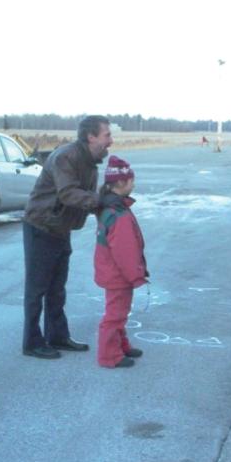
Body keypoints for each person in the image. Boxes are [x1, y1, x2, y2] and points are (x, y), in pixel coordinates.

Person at [22, 115, 112, 359]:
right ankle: (32, 342)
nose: (110, 141)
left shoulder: (90, 162)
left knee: (57, 289)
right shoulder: (66, 156)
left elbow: (87, 197)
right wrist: (100, 201)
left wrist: (108, 207)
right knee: (37, 289)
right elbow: (68, 193)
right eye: (107, 135)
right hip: (41, 227)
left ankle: (58, 336)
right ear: (91, 136)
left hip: (59, 229)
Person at [94, 156, 148, 368]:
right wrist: (136, 277)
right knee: (115, 315)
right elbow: (125, 252)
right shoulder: (119, 214)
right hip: (118, 275)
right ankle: (109, 356)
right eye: (131, 180)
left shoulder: (111, 207)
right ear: (121, 183)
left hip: (112, 272)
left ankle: (121, 345)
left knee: (120, 311)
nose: (133, 184)